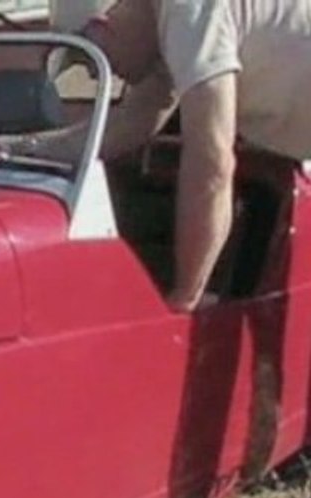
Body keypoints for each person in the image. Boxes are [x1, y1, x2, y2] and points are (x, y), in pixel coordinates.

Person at [44, 0, 311, 312]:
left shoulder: (189, 13)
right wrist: (19, 147)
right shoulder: (169, 29)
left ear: (105, 25)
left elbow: (211, 162)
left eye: (89, 57)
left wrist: (185, 296)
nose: (95, 73)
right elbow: (128, 125)